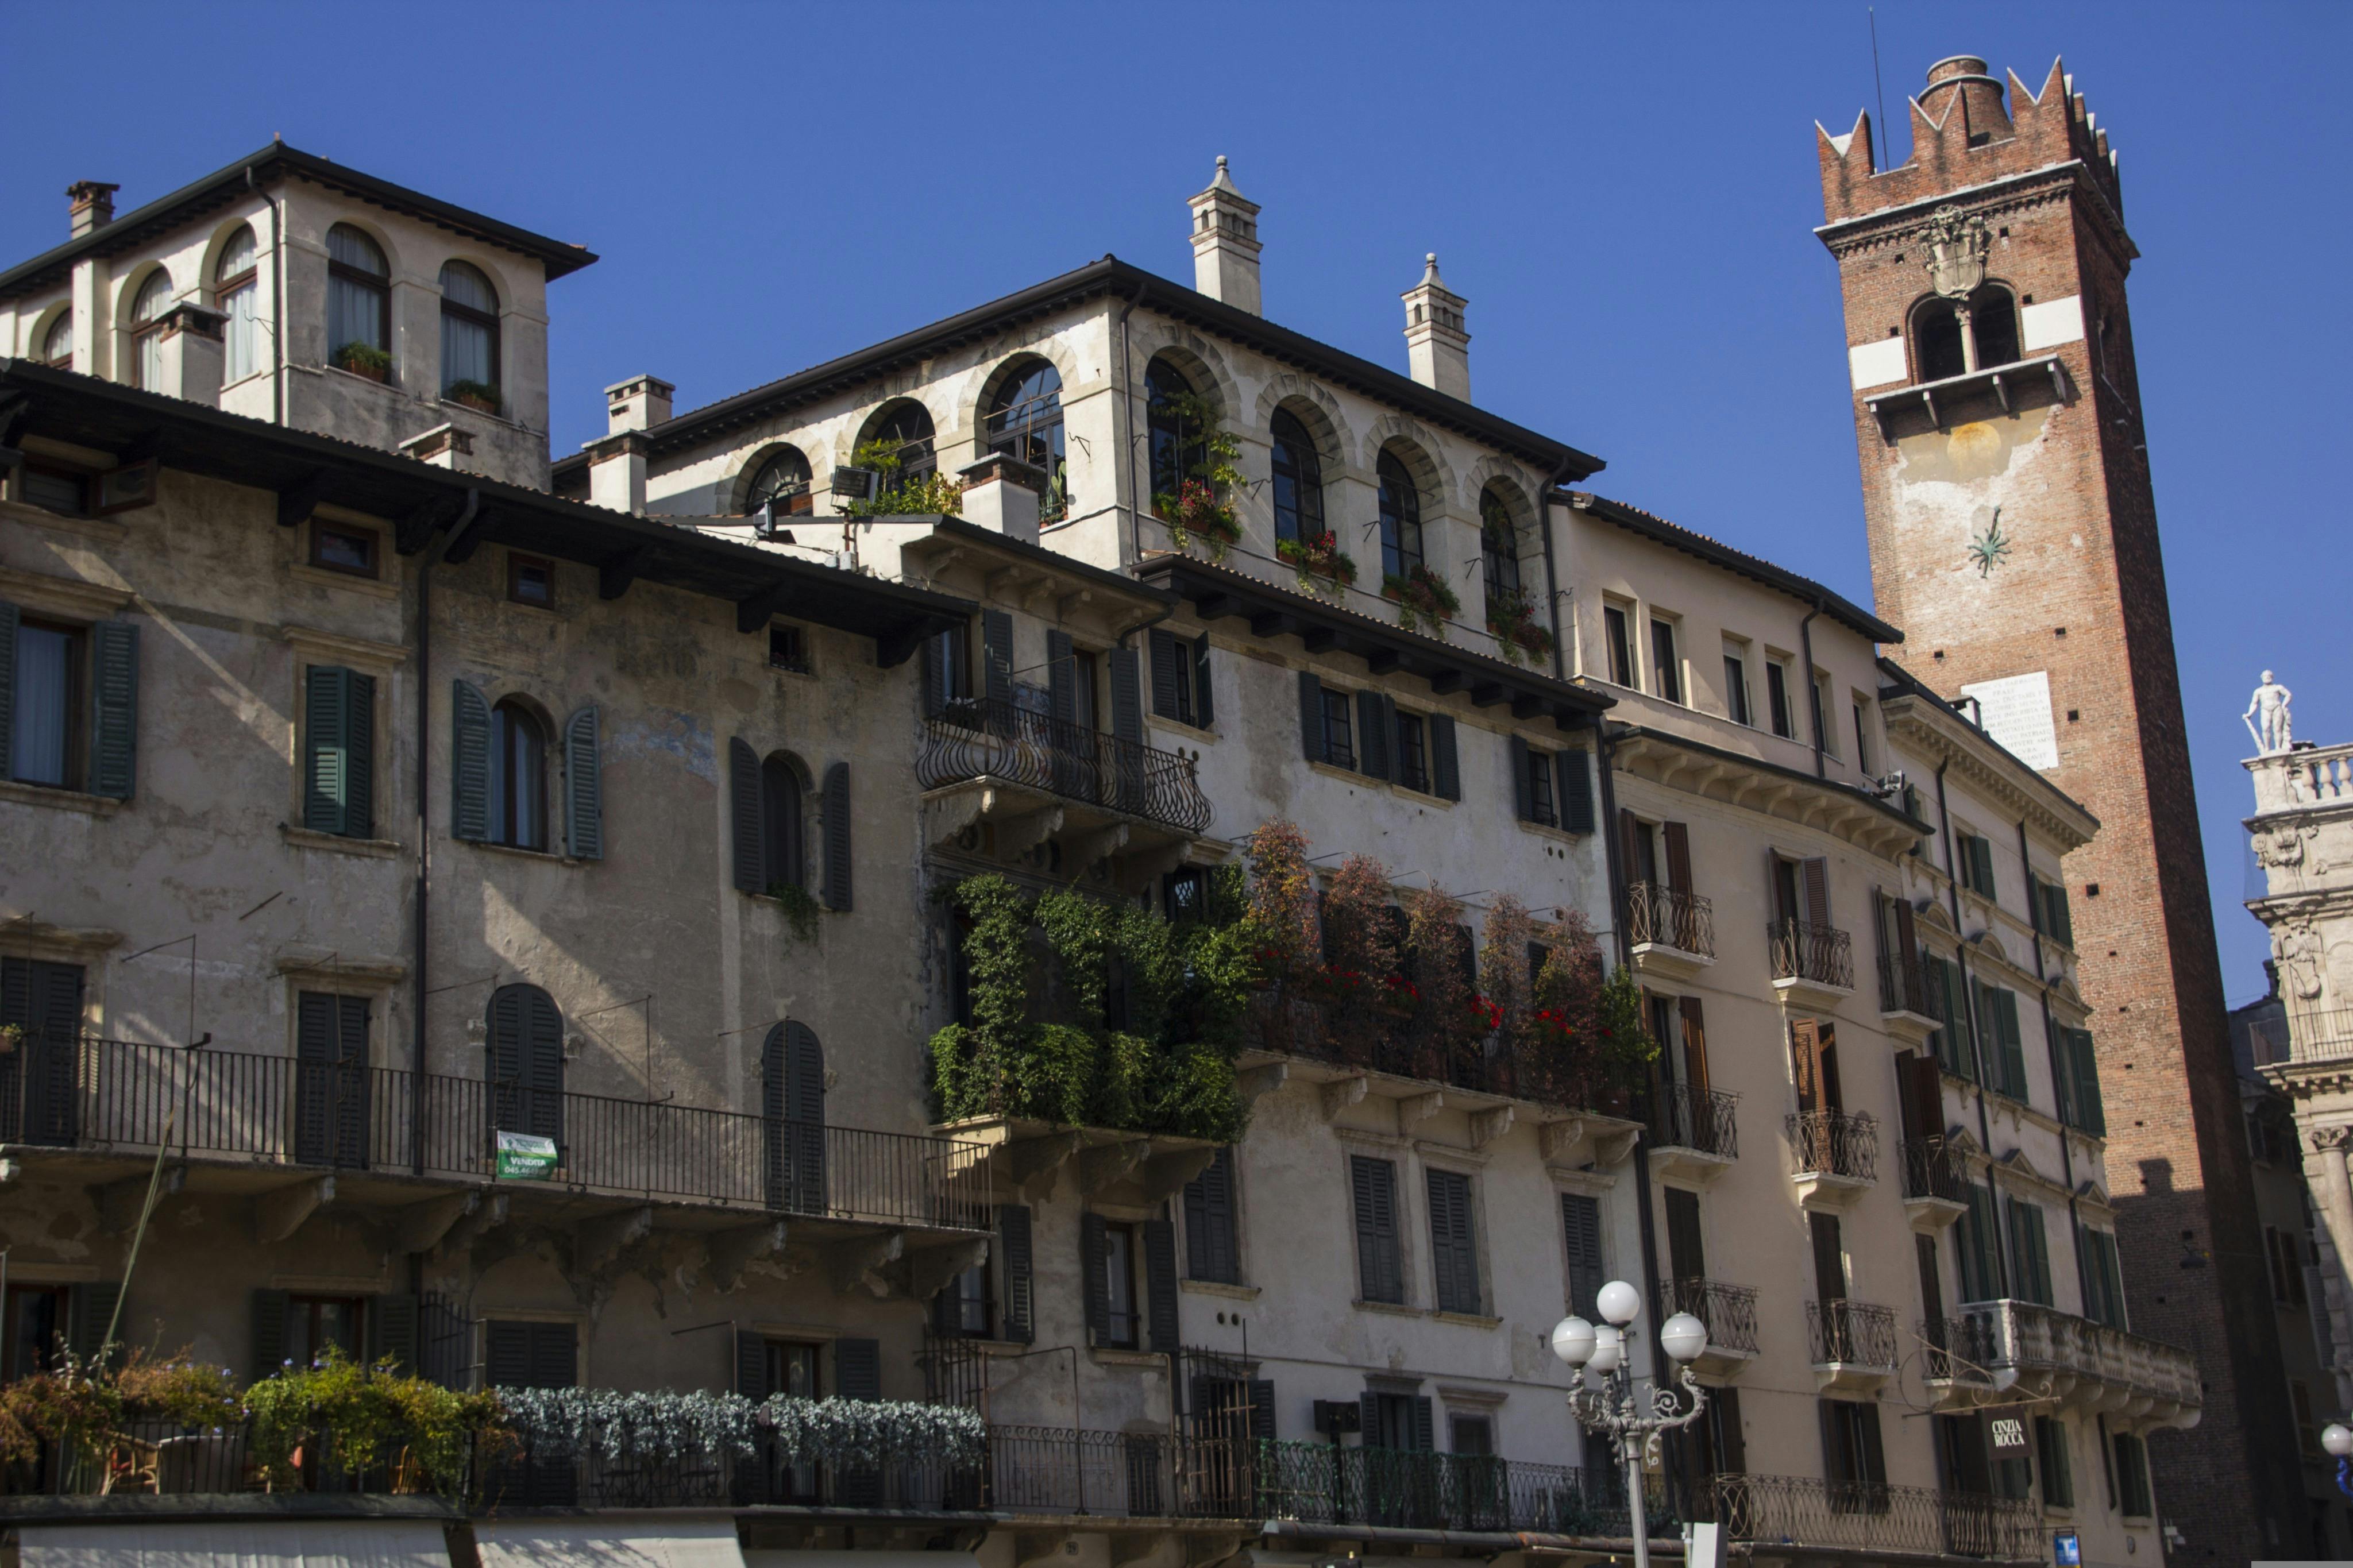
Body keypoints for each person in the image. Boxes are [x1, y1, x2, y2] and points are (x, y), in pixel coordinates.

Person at [2244, 670, 2293, 754]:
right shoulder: (2258, 691)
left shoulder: (2278, 687)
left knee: (2277, 729)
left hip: (2277, 708)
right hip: (2265, 709)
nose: (2267, 677)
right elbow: (2254, 703)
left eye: (2269, 676)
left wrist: (2284, 705)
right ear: (2262, 678)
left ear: (2272, 677)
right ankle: (2267, 748)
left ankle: (2278, 747)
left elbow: (2288, 695)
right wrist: (2250, 714)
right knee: (2265, 728)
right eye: (2265, 676)